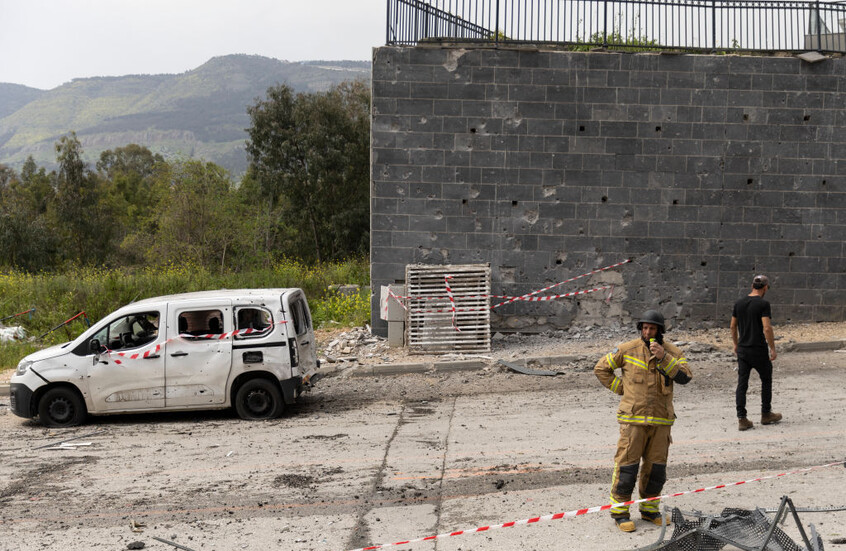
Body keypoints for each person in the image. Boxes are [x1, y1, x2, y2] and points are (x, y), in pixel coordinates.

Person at [594, 310, 692, 532]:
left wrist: (663, 357)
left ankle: (650, 510)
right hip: (633, 421)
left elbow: (685, 377)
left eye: (652, 329)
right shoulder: (627, 349)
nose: (648, 332)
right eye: (644, 328)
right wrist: (621, 388)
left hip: (661, 423)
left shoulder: (673, 352)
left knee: (656, 470)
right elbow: (601, 368)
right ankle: (620, 513)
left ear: (660, 331)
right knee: (627, 467)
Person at [731, 274, 781, 431]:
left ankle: (742, 418)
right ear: (765, 288)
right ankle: (766, 414)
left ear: (752, 286)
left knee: (742, 383)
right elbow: (767, 327)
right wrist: (772, 348)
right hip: (758, 350)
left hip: (743, 350)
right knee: (766, 379)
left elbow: (732, 326)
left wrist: (735, 344)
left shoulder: (739, 303)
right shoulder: (763, 304)